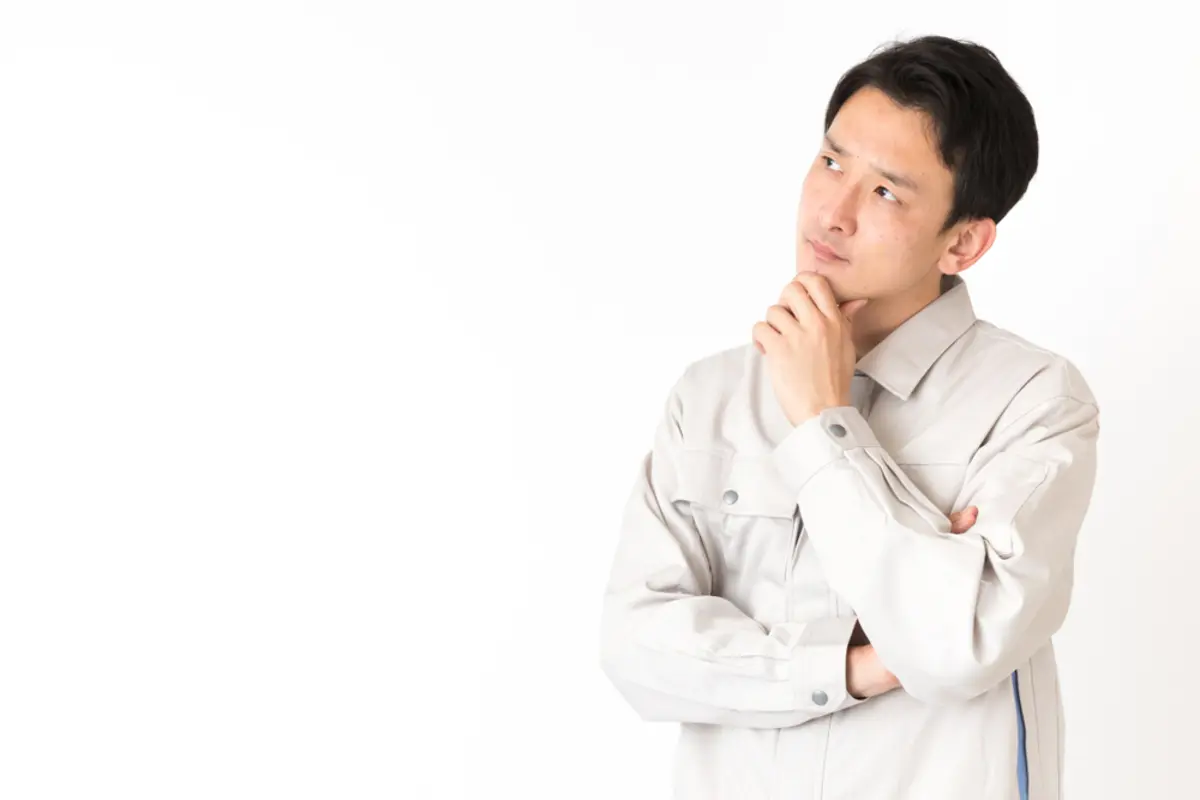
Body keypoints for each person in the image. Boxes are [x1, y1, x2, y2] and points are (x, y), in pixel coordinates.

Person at [598, 35, 1100, 800]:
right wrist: (852, 665)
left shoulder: (1033, 401)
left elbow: (957, 645)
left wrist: (822, 422)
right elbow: (635, 649)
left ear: (964, 241)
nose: (831, 213)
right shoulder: (711, 396)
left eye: (886, 192)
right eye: (831, 161)